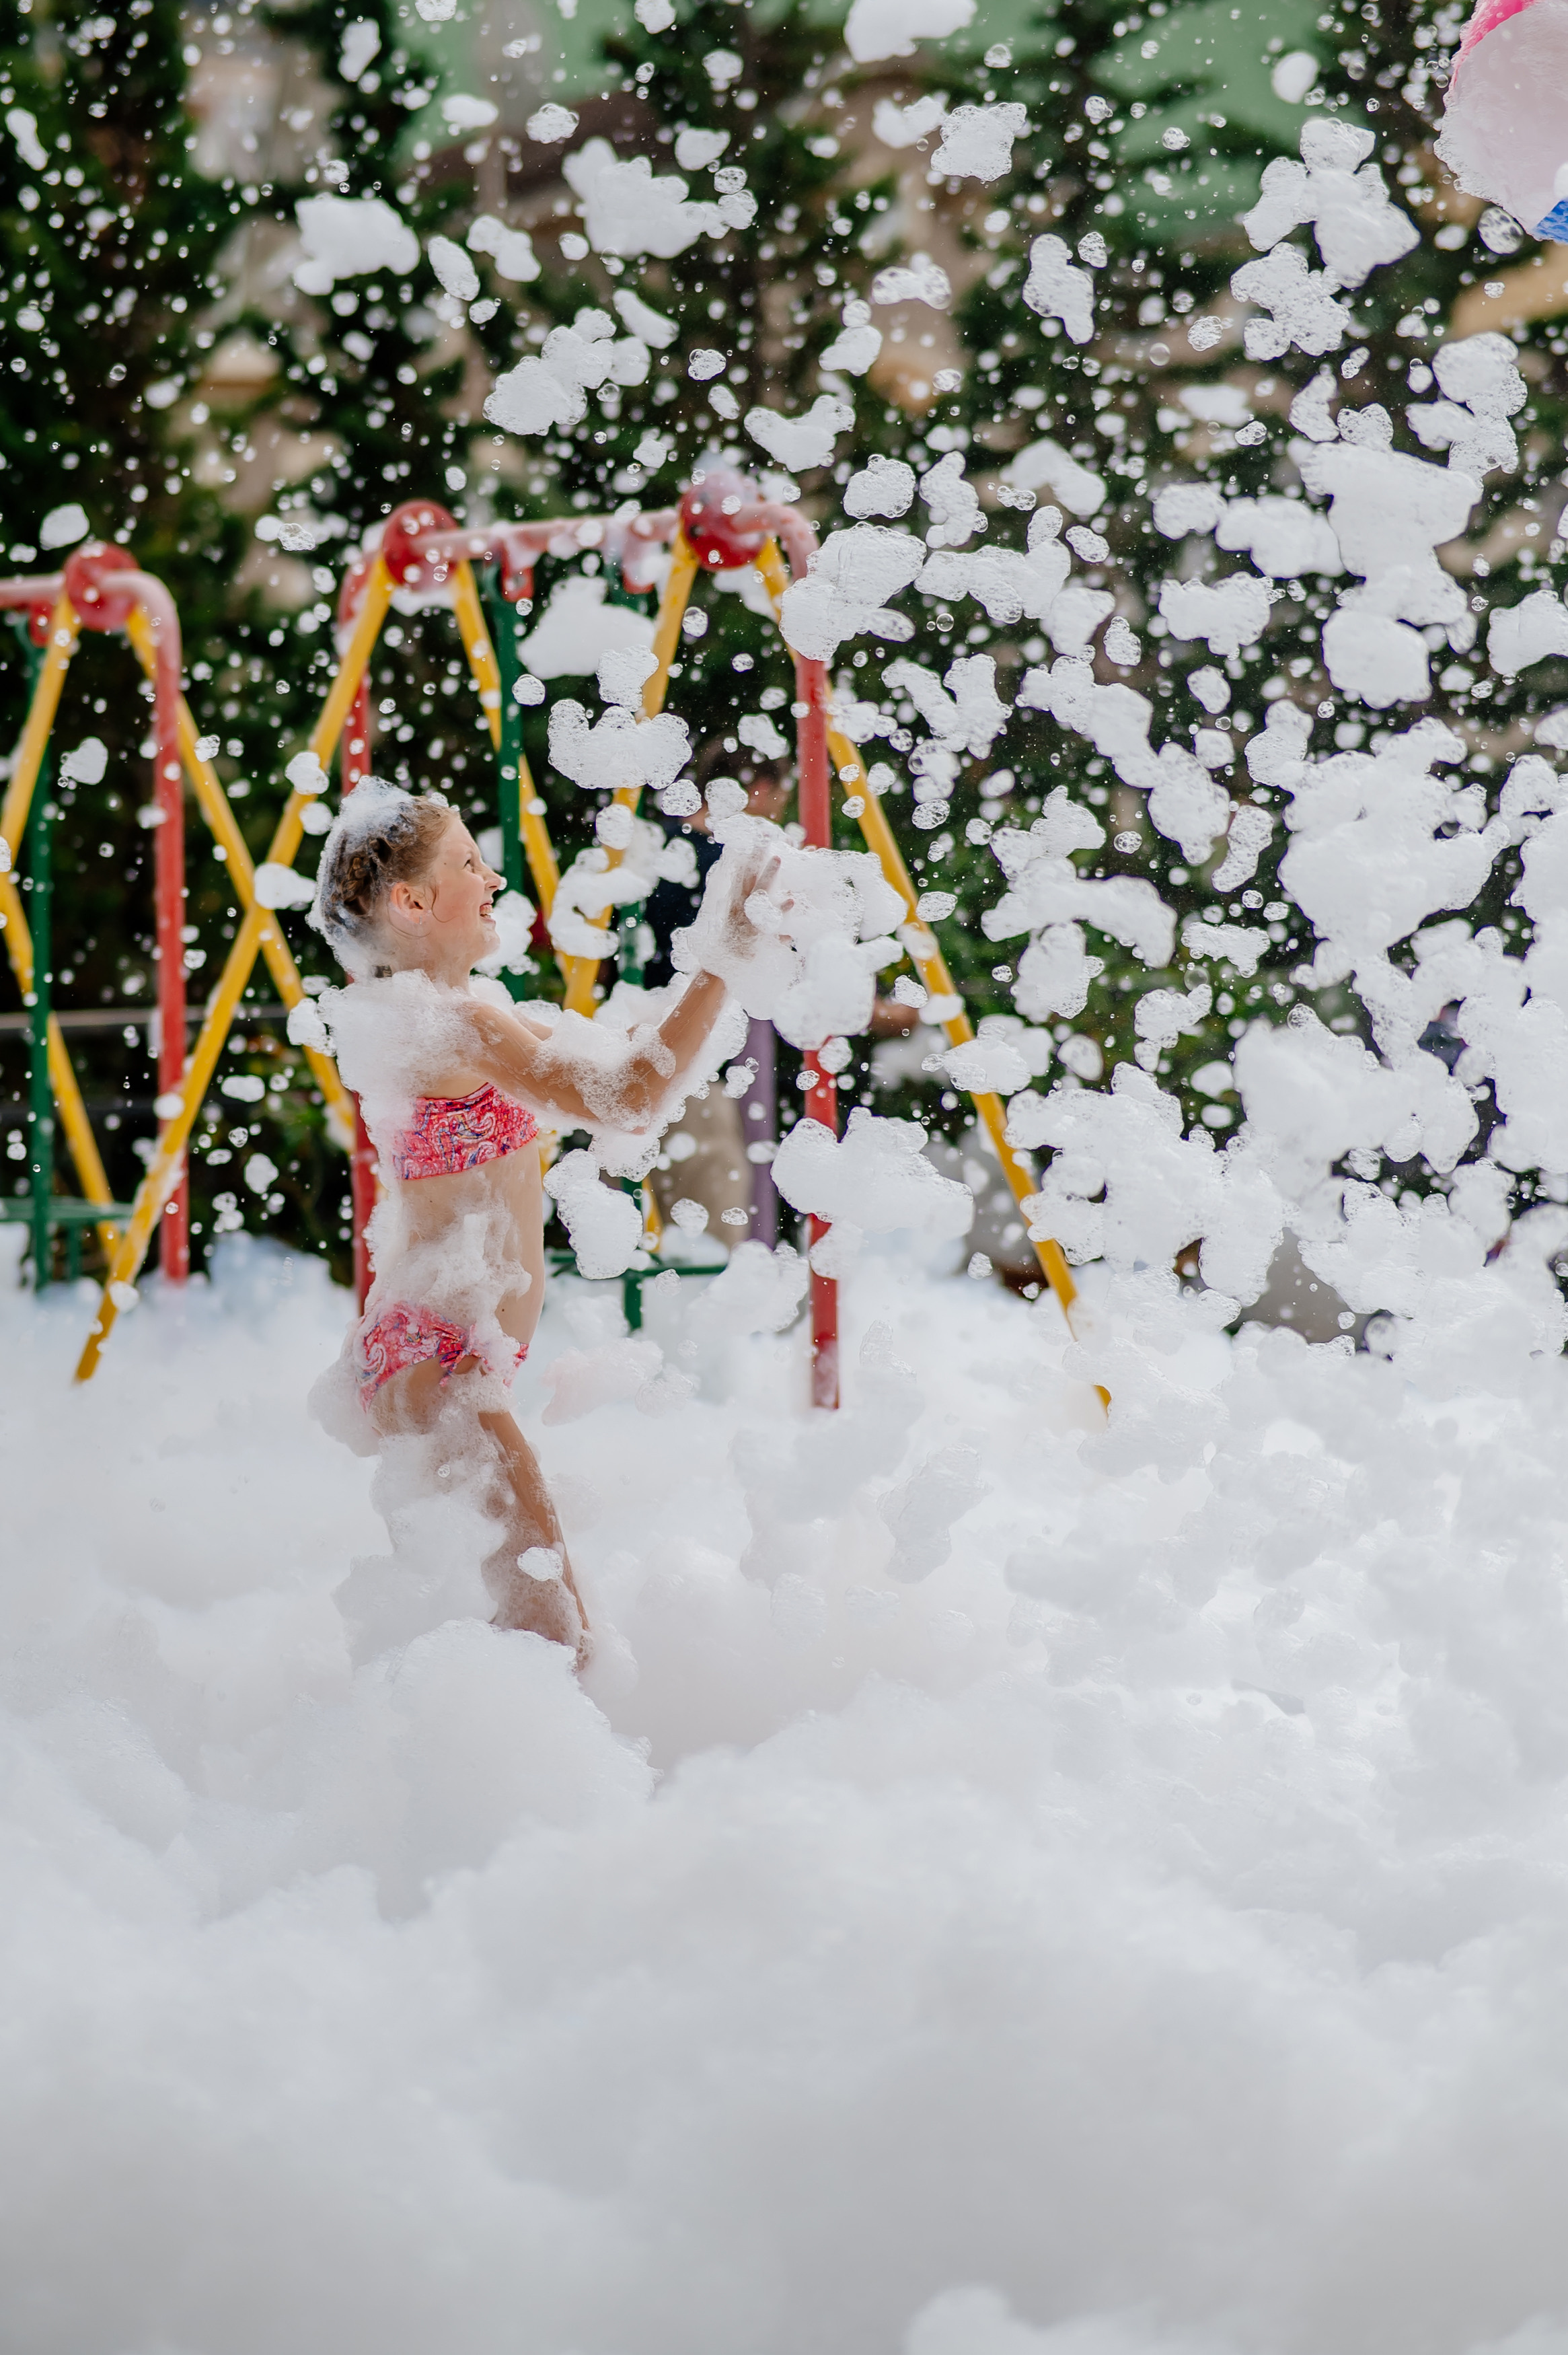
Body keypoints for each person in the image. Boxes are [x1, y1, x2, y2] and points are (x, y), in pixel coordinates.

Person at [307, 781, 770, 1667]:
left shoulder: (421, 1017)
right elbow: (630, 1099)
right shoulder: (463, 1024)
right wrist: (724, 958)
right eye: (468, 863)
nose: (491, 880)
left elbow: (607, 1075)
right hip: (443, 1363)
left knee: (542, 1622)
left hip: (425, 1348)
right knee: (556, 1632)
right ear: (411, 903)